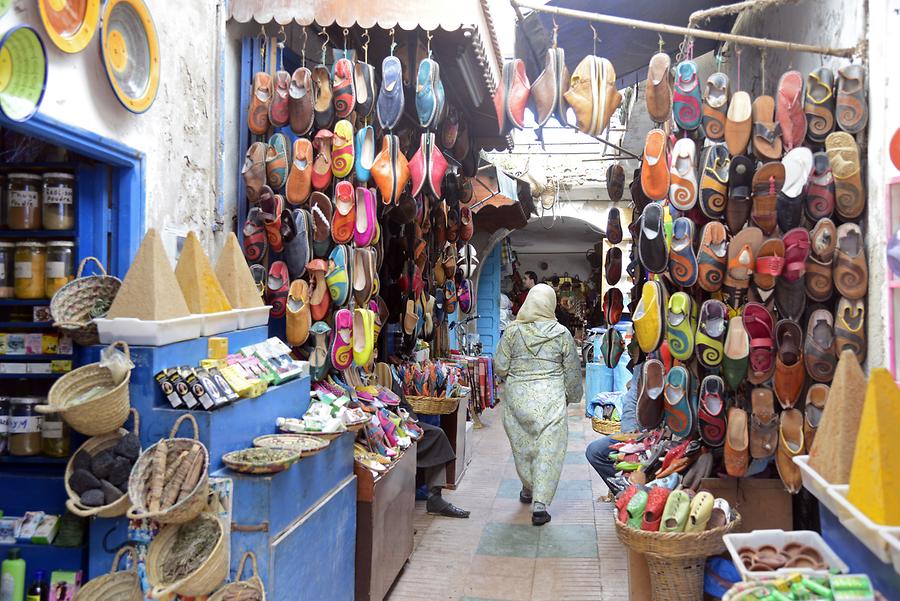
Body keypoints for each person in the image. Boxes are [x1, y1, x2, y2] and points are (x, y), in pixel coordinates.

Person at [494, 284, 583, 525]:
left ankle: (527, 487)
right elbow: (573, 373)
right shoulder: (562, 334)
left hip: (518, 397)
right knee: (548, 449)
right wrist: (573, 396)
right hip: (551, 398)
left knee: (524, 446)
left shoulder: (512, 332)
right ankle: (540, 505)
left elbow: (500, 366)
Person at [585, 363, 640, 496]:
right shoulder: (642, 364)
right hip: (633, 431)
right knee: (594, 451)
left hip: (645, 431)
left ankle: (631, 492)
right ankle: (625, 491)